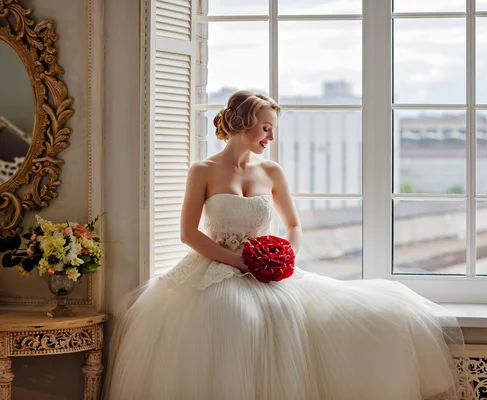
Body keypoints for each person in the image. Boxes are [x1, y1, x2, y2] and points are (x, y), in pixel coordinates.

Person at [103, 90, 466, 400]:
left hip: (267, 272)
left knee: (375, 314)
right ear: (243, 124)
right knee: (235, 321)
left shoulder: (272, 171)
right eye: (266, 128)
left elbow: (293, 224)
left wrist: (281, 258)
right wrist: (239, 262)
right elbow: (189, 234)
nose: (270, 136)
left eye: (272, 128)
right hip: (216, 269)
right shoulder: (203, 170)